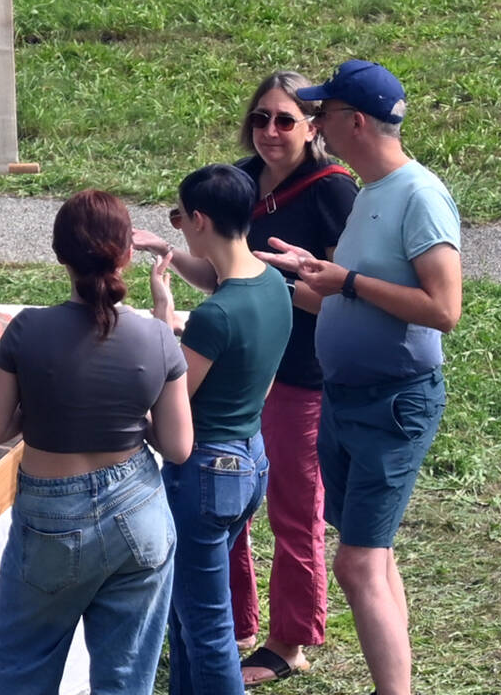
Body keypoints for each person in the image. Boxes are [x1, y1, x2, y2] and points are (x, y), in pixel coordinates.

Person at [134, 71, 358, 685]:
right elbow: (223, 273)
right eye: (260, 118)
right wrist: (167, 250)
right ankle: (232, 624)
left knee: (294, 511)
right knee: (228, 515)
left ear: (313, 127)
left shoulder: (333, 191)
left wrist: (257, 301)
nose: (270, 131)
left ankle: (290, 640)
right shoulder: (240, 181)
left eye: (285, 119)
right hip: (245, 369)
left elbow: (341, 296)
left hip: (299, 372)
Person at [256, 60, 462, 695]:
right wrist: (306, 274)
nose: (314, 124)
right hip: (348, 399)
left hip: (391, 403)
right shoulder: (372, 192)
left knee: (358, 563)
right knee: (373, 555)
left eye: (322, 113)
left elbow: (444, 309)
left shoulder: (419, 195)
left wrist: (346, 280)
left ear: (356, 122)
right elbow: (355, 295)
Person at [0, 190, 193, 695]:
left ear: (59, 254)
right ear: (128, 254)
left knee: (23, 671)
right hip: (139, 511)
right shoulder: (157, 338)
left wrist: (39, 408)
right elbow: (178, 446)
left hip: (51, 516)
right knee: (125, 681)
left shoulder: (26, 330)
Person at [147, 164, 293, 695]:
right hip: (250, 462)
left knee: (207, 630)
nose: (181, 227)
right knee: (188, 614)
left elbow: (167, 402)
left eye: (180, 217)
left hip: (205, 474)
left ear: (201, 220)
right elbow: (262, 381)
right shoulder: (274, 285)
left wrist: (162, 313)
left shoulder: (216, 316)